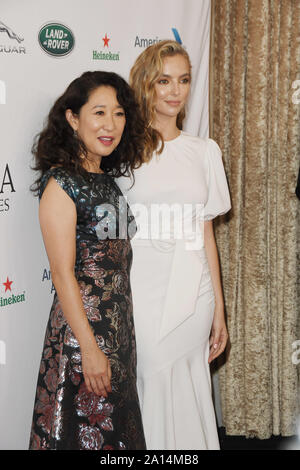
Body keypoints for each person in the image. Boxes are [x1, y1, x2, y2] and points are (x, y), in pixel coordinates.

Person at [117, 40, 231, 450]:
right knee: (149, 375)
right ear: (145, 84)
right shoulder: (122, 151)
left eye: (183, 80)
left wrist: (219, 308)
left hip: (194, 287)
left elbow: (205, 233)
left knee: (189, 378)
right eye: (164, 80)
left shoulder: (205, 151)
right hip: (140, 284)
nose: (175, 90)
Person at [29, 71, 146, 450]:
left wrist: (118, 343)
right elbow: (62, 275)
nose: (110, 124)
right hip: (83, 342)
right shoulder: (61, 185)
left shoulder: (107, 180)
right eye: (99, 113)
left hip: (117, 336)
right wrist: (91, 349)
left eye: (118, 113)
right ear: (72, 118)